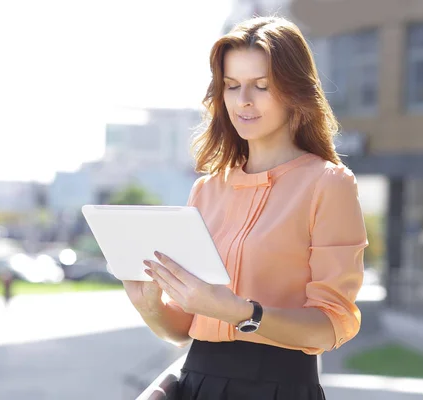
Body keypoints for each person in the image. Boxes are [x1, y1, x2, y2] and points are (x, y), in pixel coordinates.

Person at [122, 16, 368, 400]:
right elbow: (183, 328)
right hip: (197, 384)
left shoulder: (328, 183)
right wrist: (149, 305)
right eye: (232, 86)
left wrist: (243, 313)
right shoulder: (206, 189)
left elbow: (330, 325)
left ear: (295, 91)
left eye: (261, 86)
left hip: (278, 388)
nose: (243, 101)